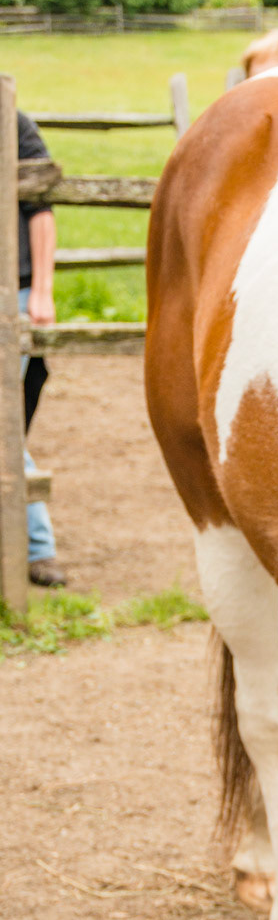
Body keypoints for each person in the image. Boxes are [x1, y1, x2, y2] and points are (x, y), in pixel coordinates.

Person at [18, 109, 65, 587]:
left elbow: (40, 208)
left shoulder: (11, 122)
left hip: (13, 287)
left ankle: (38, 547)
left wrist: (42, 289)